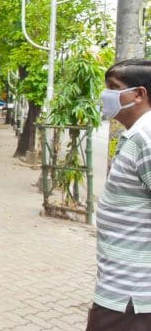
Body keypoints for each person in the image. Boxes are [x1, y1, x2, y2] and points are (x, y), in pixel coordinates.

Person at [86, 59, 151, 330]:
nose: (106, 96)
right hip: (122, 289)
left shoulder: (146, 138)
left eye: (114, 88)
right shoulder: (136, 135)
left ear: (139, 94)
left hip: (131, 296)